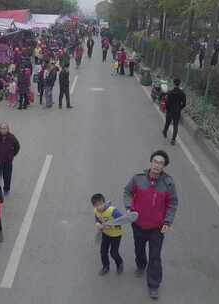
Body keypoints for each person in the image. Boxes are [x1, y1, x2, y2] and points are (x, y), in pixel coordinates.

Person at [123, 150, 179, 300]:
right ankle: (141, 264)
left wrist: (168, 221)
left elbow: (173, 203)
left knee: (155, 256)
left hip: (157, 227)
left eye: (161, 163)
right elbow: (127, 192)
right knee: (139, 249)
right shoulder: (138, 179)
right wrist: (129, 208)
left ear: (164, 166)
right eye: (155, 161)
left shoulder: (168, 183)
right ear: (151, 162)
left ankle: (154, 285)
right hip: (138, 224)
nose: (157, 165)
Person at [92, 193, 124, 276]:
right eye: (96, 205)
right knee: (103, 252)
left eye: (101, 204)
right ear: (94, 206)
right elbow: (97, 220)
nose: (99, 207)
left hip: (116, 235)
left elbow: (123, 220)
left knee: (113, 253)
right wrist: (98, 224)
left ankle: (119, 263)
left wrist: (111, 225)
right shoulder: (96, 211)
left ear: (104, 202)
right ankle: (105, 267)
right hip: (105, 234)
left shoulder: (113, 211)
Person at [0, 123, 20, 195]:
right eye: (1, 128)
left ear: (8, 129)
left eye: (4, 128)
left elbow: (17, 147)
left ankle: (6, 188)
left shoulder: (12, 138)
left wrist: (11, 155)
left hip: (7, 161)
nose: (3, 130)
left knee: (7, 176)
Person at [162, 78, 187, 145]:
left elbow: (167, 101)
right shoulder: (182, 93)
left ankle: (165, 132)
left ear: (173, 83)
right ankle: (173, 140)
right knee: (175, 125)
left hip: (170, 110)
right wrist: (179, 108)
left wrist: (167, 108)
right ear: (179, 84)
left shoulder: (170, 92)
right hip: (177, 111)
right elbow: (184, 104)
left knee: (167, 122)